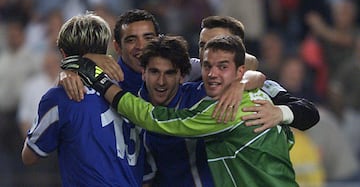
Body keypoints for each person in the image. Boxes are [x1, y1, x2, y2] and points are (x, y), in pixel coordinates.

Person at [66, 35, 298, 186]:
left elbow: (156, 119)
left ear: (239, 72)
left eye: (223, 67)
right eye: (208, 66)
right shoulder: (255, 96)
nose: (213, 73)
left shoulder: (225, 110)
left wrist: (97, 78)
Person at [21, 13, 147, 186]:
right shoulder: (131, 88)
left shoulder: (61, 97)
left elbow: (29, 156)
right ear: (106, 48)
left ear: (63, 54)